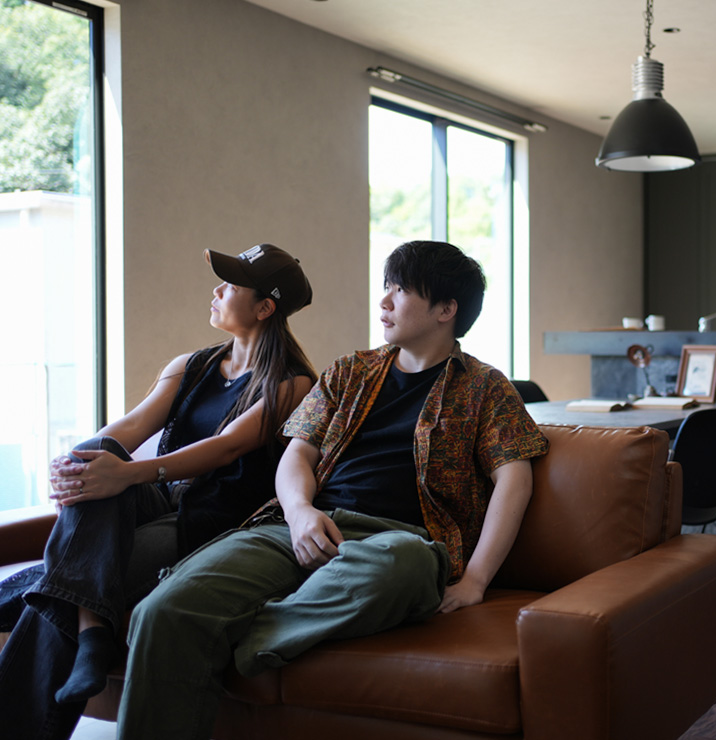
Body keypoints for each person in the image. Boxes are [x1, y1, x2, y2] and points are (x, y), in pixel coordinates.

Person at [114, 240, 549, 739]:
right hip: (301, 527)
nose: (384, 300)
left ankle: (248, 635)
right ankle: (247, 618)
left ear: (445, 310)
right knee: (162, 610)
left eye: (401, 290)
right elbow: (297, 455)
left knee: (403, 563)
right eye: (386, 287)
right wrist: (299, 511)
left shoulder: (485, 388)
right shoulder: (349, 372)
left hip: (396, 540)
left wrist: (474, 580)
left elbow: (514, 479)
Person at [0, 243, 317, 740]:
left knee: (61, 585)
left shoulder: (292, 385)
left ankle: (64, 649)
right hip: (161, 503)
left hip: (211, 525)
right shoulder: (193, 366)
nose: (217, 290)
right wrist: (72, 466)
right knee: (99, 451)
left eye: (232, 284)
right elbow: (128, 428)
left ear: (264, 308)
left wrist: (129, 475)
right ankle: (93, 630)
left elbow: (226, 448)